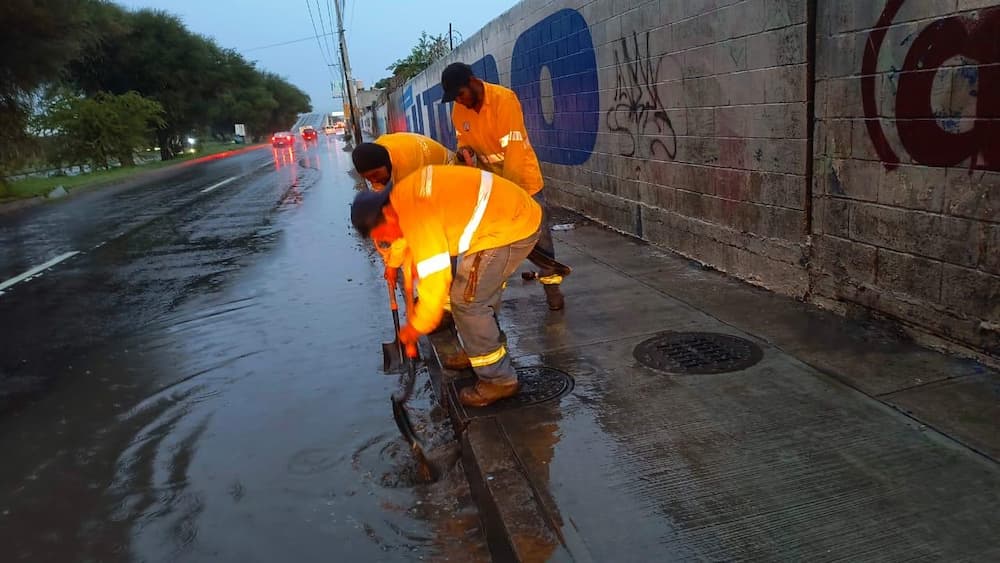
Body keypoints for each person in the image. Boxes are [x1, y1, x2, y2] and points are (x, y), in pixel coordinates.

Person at [351, 165, 542, 407]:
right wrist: (393, 264)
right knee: (476, 292)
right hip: (506, 213)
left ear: (386, 216)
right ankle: (477, 349)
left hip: (510, 226)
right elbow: (403, 237)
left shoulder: (418, 217)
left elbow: (435, 286)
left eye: (382, 236)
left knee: (468, 302)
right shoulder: (401, 197)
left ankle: (499, 380)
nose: (387, 240)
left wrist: (415, 328)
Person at [441, 62, 566, 311]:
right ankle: (492, 304)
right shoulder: (459, 111)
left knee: (540, 241)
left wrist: (510, 197)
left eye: (460, 94)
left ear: (473, 82)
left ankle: (552, 289)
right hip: (491, 187)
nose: (459, 100)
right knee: (494, 248)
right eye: (455, 97)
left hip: (523, 183)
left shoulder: (504, 100)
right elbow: (464, 143)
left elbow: (515, 151)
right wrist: (464, 152)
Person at [352, 132, 453, 302]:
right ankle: (419, 297)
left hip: (443, 170)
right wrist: (389, 254)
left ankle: (442, 297)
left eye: (375, 175)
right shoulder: (376, 161)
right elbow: (384, 207)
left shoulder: (407, 167)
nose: (373, 180)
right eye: (368, 178)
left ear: (387, 164)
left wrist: (395, 260)